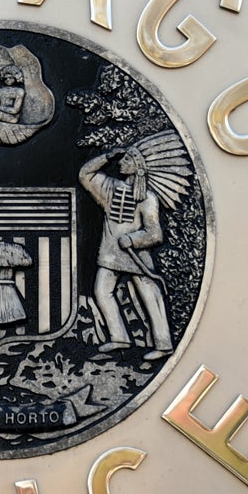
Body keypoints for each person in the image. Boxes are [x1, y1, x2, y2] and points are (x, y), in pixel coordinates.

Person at [78, 146, 174, 358]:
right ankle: (119, 337)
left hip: (136, 256)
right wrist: (106, 157)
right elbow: (85, 174)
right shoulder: (109, 188)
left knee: (151, 296)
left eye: (127, 160)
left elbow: (155, 233)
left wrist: (132, 238)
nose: (121, 163)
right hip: (110, 255)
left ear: (138, 168)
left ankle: (164, 344)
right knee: (102, 293)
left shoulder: (148, 198)